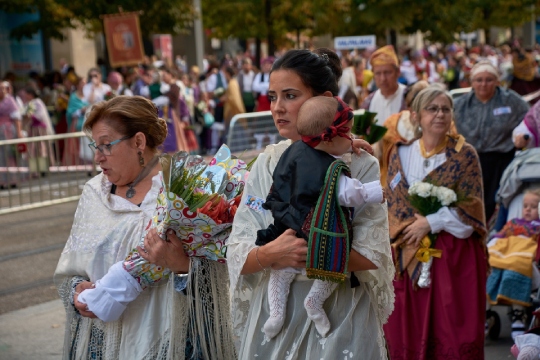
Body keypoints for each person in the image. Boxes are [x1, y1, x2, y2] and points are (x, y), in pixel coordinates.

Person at [227, 48, 394, 359]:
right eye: (273, 96)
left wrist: (312, 250)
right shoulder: (266, 163)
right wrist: (268, 253)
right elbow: (238, 251)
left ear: (325, 100)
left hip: (338, 316)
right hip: (276, 318)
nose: (277, 108)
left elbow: (373, 253)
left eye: (290, 95)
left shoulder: (359, 164)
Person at [54, 96, 236, 359]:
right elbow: (71, 266)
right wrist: (76, 289)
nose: (97, 157)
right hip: (103, 344)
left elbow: (219, 274)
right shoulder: (95, 192)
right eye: (95, 146)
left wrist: (182, 267)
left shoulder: (189, 190)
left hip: (173, 342)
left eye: (105, 146)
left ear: (138, 142)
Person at [255, 96, 384, 339]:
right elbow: (349, 193)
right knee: (330, 270)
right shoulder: (329, 168)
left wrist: (350, 142)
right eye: (348, 133)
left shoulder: (294, 149)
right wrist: (374, 192)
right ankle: (314, 302)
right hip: (317, 230)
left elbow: (327, 146)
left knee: (280, 274)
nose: (350, 137)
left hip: (286, 224)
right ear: (332, 137)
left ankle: (276, 313)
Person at [383, 85, 488, 359]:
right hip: (407, 251)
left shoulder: (465, 155)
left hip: (454, 255)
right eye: (432, 109)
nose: (440, 115)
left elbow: (472, 207)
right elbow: (393, 203)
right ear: (416, 116)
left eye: (445, 109)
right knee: (407, 330)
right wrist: (411, 229)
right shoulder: (399, 153)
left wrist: (431, 222)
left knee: (451, 330)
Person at [454, 60, 530, 221]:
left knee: (497, 202)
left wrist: (523, 135)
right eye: (479, 80)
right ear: (472, 82)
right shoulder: (460, 104)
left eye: (489, 80)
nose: (483, 84)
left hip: (502, 160)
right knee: (472, 202)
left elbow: (529, 119)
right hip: (471, 160)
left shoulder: (510, 100)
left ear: (497, 81)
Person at [487, 188, 540, 339]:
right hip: (506, 253)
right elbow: (500, 236)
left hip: (523, 255)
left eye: (533, 206)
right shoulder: (513, 223)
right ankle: (486, 310)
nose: (528, 209)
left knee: (515, 269)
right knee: (492, 269)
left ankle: (518, 314)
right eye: (525, 206)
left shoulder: (538, 227)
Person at [360, 45, 406, 125]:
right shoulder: (369, 102)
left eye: (387, 72)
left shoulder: (408, 97)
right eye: (378, 73)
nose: (383, 79)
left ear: (397, 72)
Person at [0, 81, 23, 188]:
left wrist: (19, 133)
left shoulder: (9, 100)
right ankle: (2, 181)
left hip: (7, 131)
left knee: (9, 155)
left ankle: (12, 180)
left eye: (2, 88)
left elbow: (17, 117)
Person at [64, 76, 90, 165]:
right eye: (82, 83)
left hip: (89, 124)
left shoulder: (89, 96)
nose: (84, 85)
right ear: (78, 85)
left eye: (85, 83)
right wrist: (80, 111)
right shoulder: (74, 97)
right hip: (77, 125)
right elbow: (70, 113)